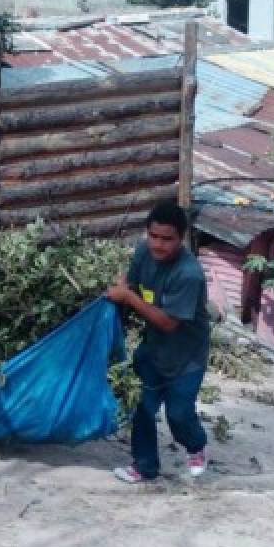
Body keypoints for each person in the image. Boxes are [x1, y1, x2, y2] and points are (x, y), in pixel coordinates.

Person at [106, 202, 211, 482]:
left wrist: (127, 298)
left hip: (186, 357)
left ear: (181, 239)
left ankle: (196, 445)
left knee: (178, 414)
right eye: (154, 236)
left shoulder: (188, 274)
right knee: (142, 406)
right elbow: (133, 284)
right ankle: (145, 466)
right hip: (152, 349)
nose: (159, 245)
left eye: (167, 239)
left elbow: (168, 323)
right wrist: (123, 288)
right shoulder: (143, 253)